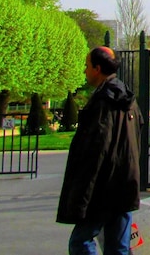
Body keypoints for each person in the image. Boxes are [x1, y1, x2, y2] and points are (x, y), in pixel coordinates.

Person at [57, 46, 142, 255]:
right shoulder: (128, 99)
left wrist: (83, 190)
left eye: (87, 66)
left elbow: (96, 149)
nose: (85, 71)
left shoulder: (103, 101)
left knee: (80, 242)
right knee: (118, 247)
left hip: (104, 186)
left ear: (97, 68)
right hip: (125, 181)